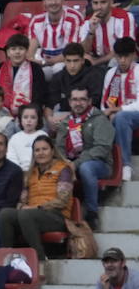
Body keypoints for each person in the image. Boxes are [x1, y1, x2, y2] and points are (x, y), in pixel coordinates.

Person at [51, 85, 115, 229]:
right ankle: (57, 214)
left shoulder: (99, 119)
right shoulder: (66, 122)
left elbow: (102, 148)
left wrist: (77, 163)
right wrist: (65, 161)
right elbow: (59, 148)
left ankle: (92, 213)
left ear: (89, 101)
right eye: (75, 99)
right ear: (69, 101)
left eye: (82, 99)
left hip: (99, 164)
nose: (78, 103)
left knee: (86, 168)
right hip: (71, 162)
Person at [0, 137, 74, 257]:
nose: (41, 153)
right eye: (37, 150)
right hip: (33, 214)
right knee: (5, 214)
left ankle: (39, 258)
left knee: (26, 214)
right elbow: (22, 199)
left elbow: (62, 200)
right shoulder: (31, 173)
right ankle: (9, 257)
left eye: (44, 149)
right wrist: (22, 206)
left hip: (57, 216)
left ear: (52, 151)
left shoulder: (63, 169)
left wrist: (37, 207)